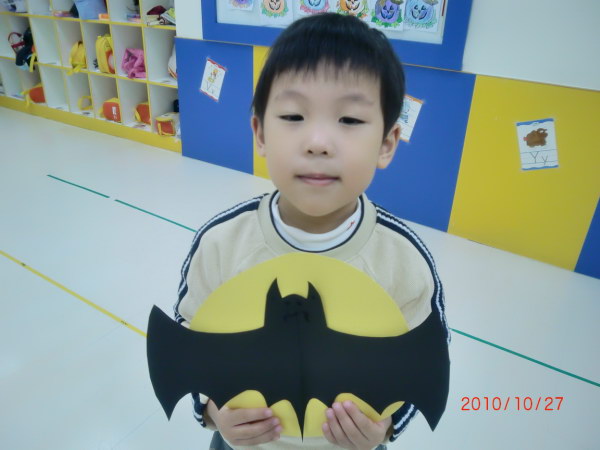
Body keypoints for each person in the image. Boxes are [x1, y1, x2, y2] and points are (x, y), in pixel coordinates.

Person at [174, 12, 449, 450]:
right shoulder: (222, 242)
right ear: (260, 133)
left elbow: (428, 359)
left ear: (387, 144)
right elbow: (187, 337)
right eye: (293, 115)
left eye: (350, 120)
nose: (318, 142)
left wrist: (385, 427)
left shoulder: (404, 259)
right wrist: (210, 409)